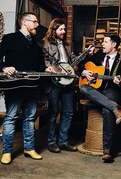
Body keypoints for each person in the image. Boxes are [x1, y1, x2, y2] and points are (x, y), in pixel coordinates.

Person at [0, 12, 48, 164]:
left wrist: (47, 69)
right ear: (24, 23)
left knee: (30, 118)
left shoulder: (36, 43)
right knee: (11, 118)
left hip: (32, 87)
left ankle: (29, 148)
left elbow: (40, 65)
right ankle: (6, 151)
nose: (37, 25)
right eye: (34, 21)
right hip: (15, 87)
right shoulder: (10, 38)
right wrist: (4, 67)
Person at [78, 34, 121, 163]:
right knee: (83, 88)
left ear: (113, 45)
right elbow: (81, 65)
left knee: (107, 110)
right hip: (96, 89)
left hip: (112, 90)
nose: (102, 44)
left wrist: (120, 82)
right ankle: (116, 108)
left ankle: (107, 150)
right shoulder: (99, 55)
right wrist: (84, 72)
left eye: (105, 42)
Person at [42, 18, 84, 153]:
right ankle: (51, 142)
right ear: (53, 30)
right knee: (53, 113)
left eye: (65, 29)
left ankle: (63, 141)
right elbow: (44, 61)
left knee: (69, 112)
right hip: (54, 83)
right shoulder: (46, 43)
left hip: (68, 83)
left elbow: (72, 60)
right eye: (61, 29)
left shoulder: (67, 45)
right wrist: (53, 68)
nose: (64, 32)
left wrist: (75, 67)